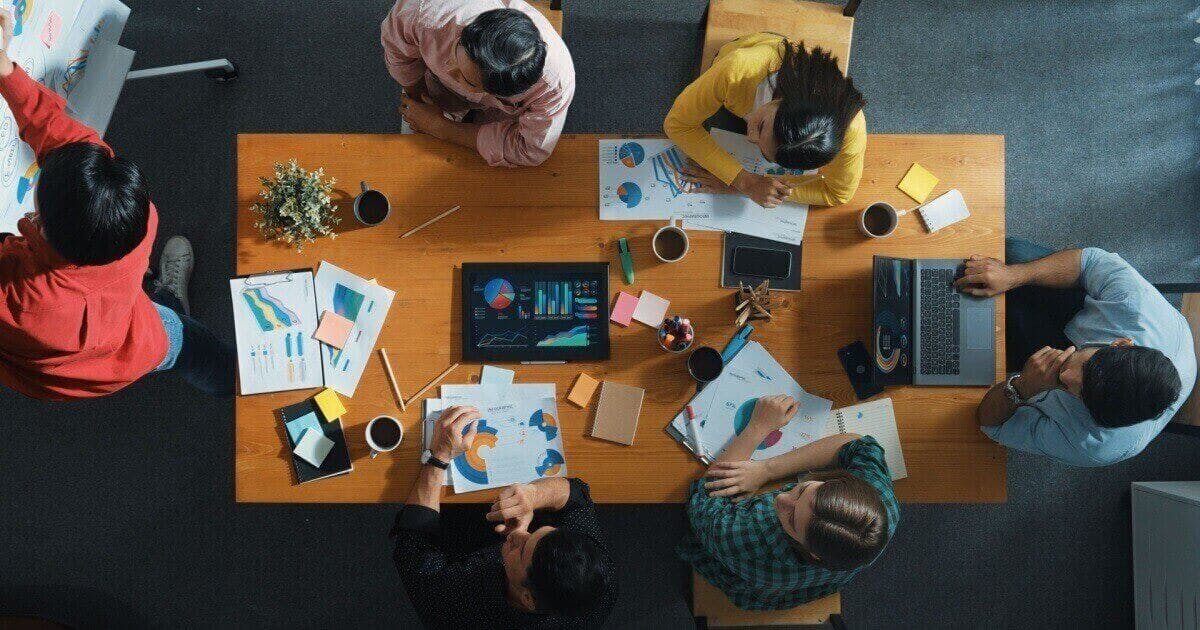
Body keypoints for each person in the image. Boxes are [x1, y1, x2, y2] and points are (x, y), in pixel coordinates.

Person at [0, 11, 233, 399]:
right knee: (184, 344)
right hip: (140, 338)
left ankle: (167, 301)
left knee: (175, 335)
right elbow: (62, 138)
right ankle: (234, 375)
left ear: (44, 225)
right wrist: (5, 69)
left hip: (74, 366)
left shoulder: (20, 300)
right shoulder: (127, 211)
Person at [959, 239, 1195, 466]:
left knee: (970, 357)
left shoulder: (1095, 445)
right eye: (1086, 368)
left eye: (1079, 392)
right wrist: (1014, 276)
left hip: (1075, 351)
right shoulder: (1137, 307)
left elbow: (991, 424)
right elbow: (1089, 263)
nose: (1065, 377)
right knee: (1012, 253)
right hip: (1085, 314)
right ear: (1121, 344)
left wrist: (1022, 387)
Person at [390, 405, 616, 629]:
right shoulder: (596, 577)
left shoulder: (458, 608)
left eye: (521, 550)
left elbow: (413, 545)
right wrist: (533, 496)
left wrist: (438, 457)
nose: (518, 535)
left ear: (527, 598)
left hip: (455, 544)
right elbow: (577, 496)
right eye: (533, 534)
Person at [679, 395, 898, 610]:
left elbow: (705, 501)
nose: (781, 499)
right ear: (842, 482)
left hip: (752, 576)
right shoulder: (881, 508)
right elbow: (857, 445)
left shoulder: (751, 543)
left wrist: (758, 426)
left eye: (792, 520)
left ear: (812, 552)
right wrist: (766, 470)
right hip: (814, 582)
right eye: (803, 490)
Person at [665, 32, 866, 209]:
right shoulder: (738, 69)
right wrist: (744, 181)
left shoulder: (851, 129)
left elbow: (838, 194)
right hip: (739, 68)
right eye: (760, 126)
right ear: (783, 97)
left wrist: (752, 187)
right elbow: (677, 125)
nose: (749, 137)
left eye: (767, 155)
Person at [381, 0, 575, 168]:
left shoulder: (552, 86)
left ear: (496, 93)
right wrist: (420, 100)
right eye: (457, 50)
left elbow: (529, 149)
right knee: (409, 162)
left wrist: (441, 127)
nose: (448, 69)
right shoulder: (423, 13)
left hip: (503, 115)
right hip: (435, 88)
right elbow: (399, 54)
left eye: (463, 77)